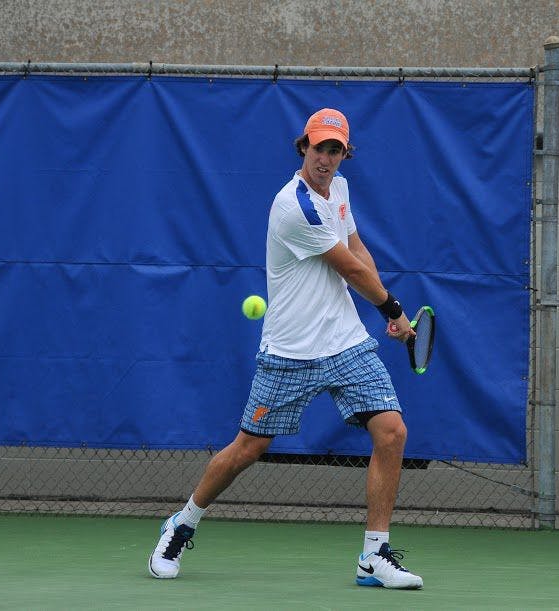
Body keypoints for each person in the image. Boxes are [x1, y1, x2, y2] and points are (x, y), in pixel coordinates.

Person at [149, 108, 423, 589]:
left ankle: (373, 556)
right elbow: (350, 271)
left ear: (344, 154)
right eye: (320, 148)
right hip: (290, 351)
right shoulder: (293, 206)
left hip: (344, 342)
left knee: (392, 431)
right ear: (304, 148)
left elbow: (358, 250)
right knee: (247, 449)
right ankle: (182, 523)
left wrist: (388, 311)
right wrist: (393, 311)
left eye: (336, 150)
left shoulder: (338, 190)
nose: (327, 158)